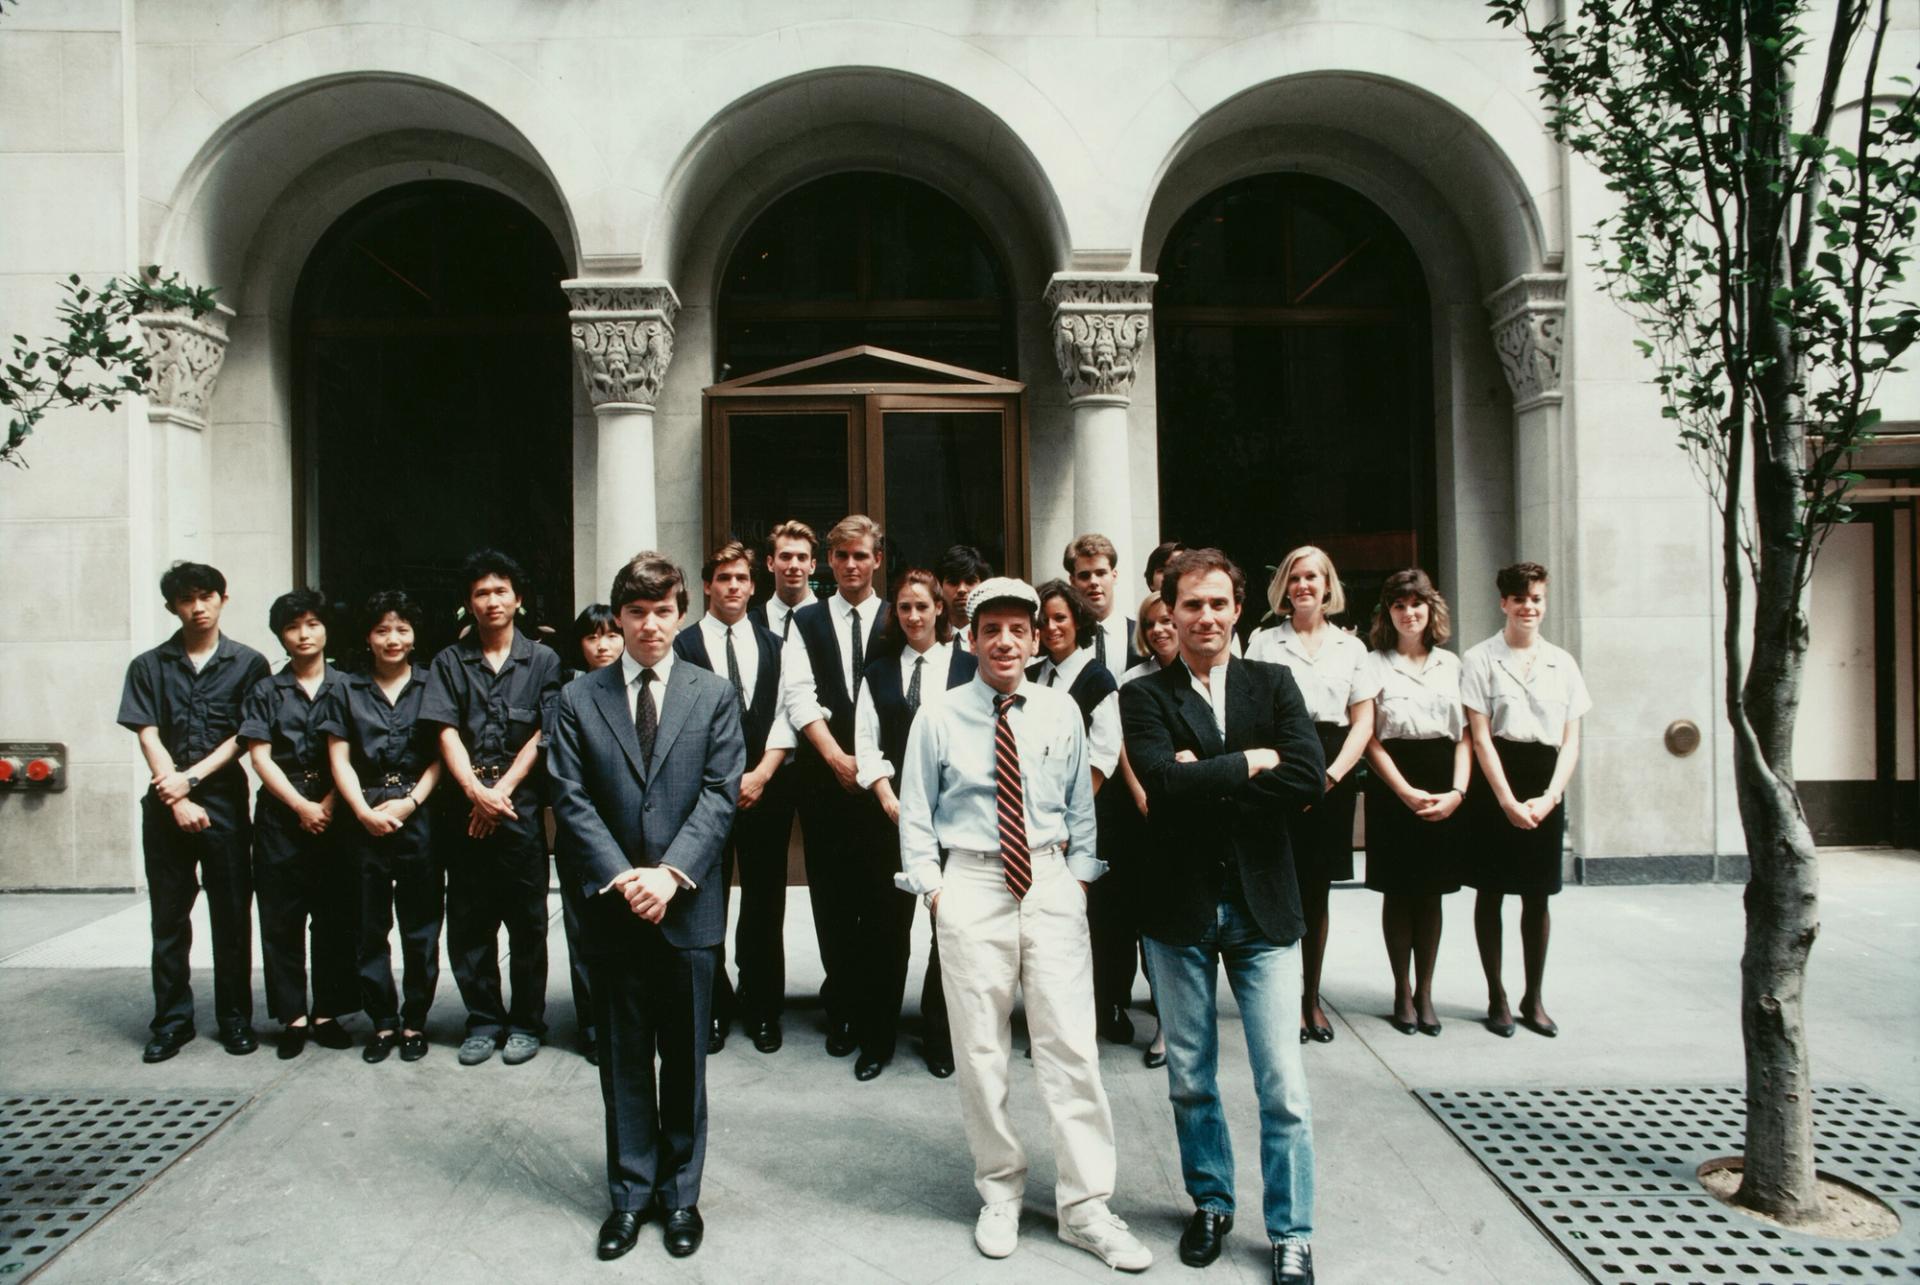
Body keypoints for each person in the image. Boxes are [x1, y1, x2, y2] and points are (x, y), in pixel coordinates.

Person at [897, 578, 1152, 1272]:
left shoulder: (1061, 711)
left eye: (1019, 628)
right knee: (981, 1048)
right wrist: (935, 891)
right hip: (973, 880)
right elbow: (916, 812)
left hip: (1048, 878)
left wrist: (1077, 879)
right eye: (991, 629)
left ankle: (1086, 1205)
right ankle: (1000, 1190)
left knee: (1071, 1044)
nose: (1005, 640)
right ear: (971, 639)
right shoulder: (939, 715)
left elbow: (1080, 806)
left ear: (1037, 639)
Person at [1120, 548, 1326, 1285]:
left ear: (1238, 609)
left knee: (1284, 1085)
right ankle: (1210, 1201)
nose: (1204, 617)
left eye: (1217, 603)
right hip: (1177, 909)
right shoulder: (1142, 696)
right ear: (1167, 611)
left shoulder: (1275, 683)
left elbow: (1308, 775)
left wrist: (1206, 774)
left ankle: (1291, 1231)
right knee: (1190, 1076)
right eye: (1190, 604)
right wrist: (1249, 762)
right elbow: (1161, 784)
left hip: (1263, 908)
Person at [546, 552, 744, 1263]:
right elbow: (569, 797)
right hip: (613, 904)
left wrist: (672, 876)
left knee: (686, 1057)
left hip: (686, 907)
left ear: (681, 612)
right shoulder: (578, 699)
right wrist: (628, 878)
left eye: (663, 611)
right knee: (625, 1057)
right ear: (618, 618)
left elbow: (721, 792)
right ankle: (630, 1194)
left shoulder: (713, 694)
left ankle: (681, 1193)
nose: (651, 625)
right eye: (637, 613)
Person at [117, 561, 273, 1062]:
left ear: (223, 599)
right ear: (172, 607)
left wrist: (193, 780)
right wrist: (176, 794)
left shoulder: (249, 664)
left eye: (207, 596)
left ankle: (234, 1019)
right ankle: (171, 1022)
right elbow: (147, 732)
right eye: (187, 599)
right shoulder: (148, 665)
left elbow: (246, 736)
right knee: (168, 920)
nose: (198, 607)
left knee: (231, 917)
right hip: (165, 808)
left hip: (224, 803)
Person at [419, 549, 563, 1067]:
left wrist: (498, 792)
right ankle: (482, 1020)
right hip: (464, 817)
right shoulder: (448, 663)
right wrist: (476, 793)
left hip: (519, 816)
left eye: (501, 590)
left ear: (518, 599)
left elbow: (546, 732)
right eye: (481, 593)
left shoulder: (543, 660)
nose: (492, 600)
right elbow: (444, 731)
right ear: (468, 604)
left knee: (528, 925)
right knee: (469, 923)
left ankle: (526, 1022)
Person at [1246, 546, 1379, 1045]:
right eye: (1295, 577)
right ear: (1284, 585)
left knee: (1316, 891)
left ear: (1328, 587)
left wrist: (1329, 777)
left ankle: (1311, 999)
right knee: (1276, 884)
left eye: (1312, 577)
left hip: (1331, 767)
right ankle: (1277, 999)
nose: (1303, 585)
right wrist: (1285, 776)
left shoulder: (1352, 649)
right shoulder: (1261, 642)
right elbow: (1250, 716)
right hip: (1279, 761)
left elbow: (1363, 718)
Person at [852, 568, 975, 1079]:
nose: (913, 616)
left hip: (955, 819)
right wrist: (886, 794)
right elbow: (866, 740)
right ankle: (877, 1040)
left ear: (940, 608)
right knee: (885, 933)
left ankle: (940, 1036)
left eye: (922, 606)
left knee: (948, 930)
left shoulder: (968, 667)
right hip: (892, 818)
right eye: (903, 607)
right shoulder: (879, 670)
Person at [672, 542, 794, 1056]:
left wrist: (763, 772)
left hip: (765, 790)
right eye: (724, 578)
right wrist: (723, 783)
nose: (734, 587)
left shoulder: (774, 643)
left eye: (742, 578)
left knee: (766, 903)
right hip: (704, 797)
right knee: (705, 905)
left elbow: (789, 712)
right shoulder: (684, 645)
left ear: (753, 583)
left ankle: (763, 1006)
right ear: (706, 585)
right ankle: (713, 1007)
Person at [1461, 562, 1590, 1039]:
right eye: (1520, 599)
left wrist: (1550, 797)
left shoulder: (1563, 662)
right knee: (1490, 891)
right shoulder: (1479, 659)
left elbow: (1571, 740)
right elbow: (1480, 737)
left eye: (1536, 598)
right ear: (1504, 603)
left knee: (1538, 895)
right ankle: (1495, 995)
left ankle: (1533, 997)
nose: (1529, 607)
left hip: (1545, 784)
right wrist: (1507, 801)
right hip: (1496, 783)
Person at [779, 514, 890, 1057]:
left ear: (877, 560)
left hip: (886, 789)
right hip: (826, 784)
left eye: (860, 556)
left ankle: (877, 1008)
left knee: (881, 899)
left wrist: (869, 767)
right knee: (832, 899)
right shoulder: (808, 621)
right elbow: (798, 697)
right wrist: (838, 759)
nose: (850, 565)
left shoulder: (899, 618)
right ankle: (842, 1007)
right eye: (841, 556)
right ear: (831, 561)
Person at [320, 590, 444, 1064]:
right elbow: (339, 757)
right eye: (382, 630)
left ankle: (414, 1021)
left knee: (421, 927)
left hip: (420, 815)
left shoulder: (433, 684)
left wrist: (410, 803)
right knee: (369, 927)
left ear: (414, 636)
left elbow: (440, 756)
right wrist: (364, 812)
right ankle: (383, 1022)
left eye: (402, 629)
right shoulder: (345, 689)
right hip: (363, 820)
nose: (392, 639)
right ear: (368, 637)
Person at [239, 589, 356, 1059]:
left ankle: (328, 1012)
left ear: (326, 628)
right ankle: (292, 1016)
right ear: (281, 636)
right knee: (281, 918)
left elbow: (357, 752)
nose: (304, 634)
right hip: (280, 818)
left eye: (312, 624)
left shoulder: (349, 686)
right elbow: (259, 755)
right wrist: (301, 806)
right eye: (293, 627)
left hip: (338, 814)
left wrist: (327, 803)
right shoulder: (265, 690)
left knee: (334, 917)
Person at [1361, 570, 1469, 1038]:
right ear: (1388, 612)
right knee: (1398, 891)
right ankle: (1401, 991)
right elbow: (1369, 737)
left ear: (1431, 610)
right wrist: (1402, 790)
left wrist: (1458, 793)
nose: (1409, 613)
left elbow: (1465, 737)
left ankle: (1425, 991)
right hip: (1394, 782)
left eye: (1416, 604)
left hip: (1442, 781)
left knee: (1431, 893)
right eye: (1400, 605)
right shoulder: (1373, 663)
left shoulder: (1452, 665)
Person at [1030, 579, 1132, 1044]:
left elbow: (1105, 754)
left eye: (1060, 618)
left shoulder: (1097, 678)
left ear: (1078, 623)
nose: (1051, 627)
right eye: (1044, 620)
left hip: (1090, 816)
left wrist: (1072, 817)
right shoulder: (1032, 676)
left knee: (1099, 920)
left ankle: (1106, 1006)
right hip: (1041, 819)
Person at [553, 603, 622, 1064]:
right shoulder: (570, 695)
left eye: (611, 635)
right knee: (585, 936)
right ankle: (593, 1023)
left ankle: (629, 1021)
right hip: (582, 836)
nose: (604, 645)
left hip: (634, 836)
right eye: (593, 637)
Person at [1114, 591, 1179, 1067]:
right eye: (1151, 623)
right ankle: (1163, 1025)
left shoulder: (1207, 675)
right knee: (1153, 920)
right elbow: (1122, 745)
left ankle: (1175, 1024)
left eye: (1166, 621)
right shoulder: (1133, 681)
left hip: (1194, 812)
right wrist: (1140, 794)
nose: (1159, 630)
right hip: (1147, 813)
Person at [1064, 533, 1133, 672]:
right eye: (1084, 576)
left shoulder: (1139, 633)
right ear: (1072, 582)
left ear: (1114, 576)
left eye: (1101, 573)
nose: (1094, 582)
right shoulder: (1064, 637)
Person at [748, 519, 821, 641]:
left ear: (812, 566)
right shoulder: (750, 623)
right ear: (770, 563)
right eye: (785, 557)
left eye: (802, 557)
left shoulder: (832, 619)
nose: (794, 565)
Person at [935, 543, 991, 653]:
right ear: (940, 587)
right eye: (953, 582)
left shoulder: (993, 638)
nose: (961, 589)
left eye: (970, 581)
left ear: (983, 586)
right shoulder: (927, 638)